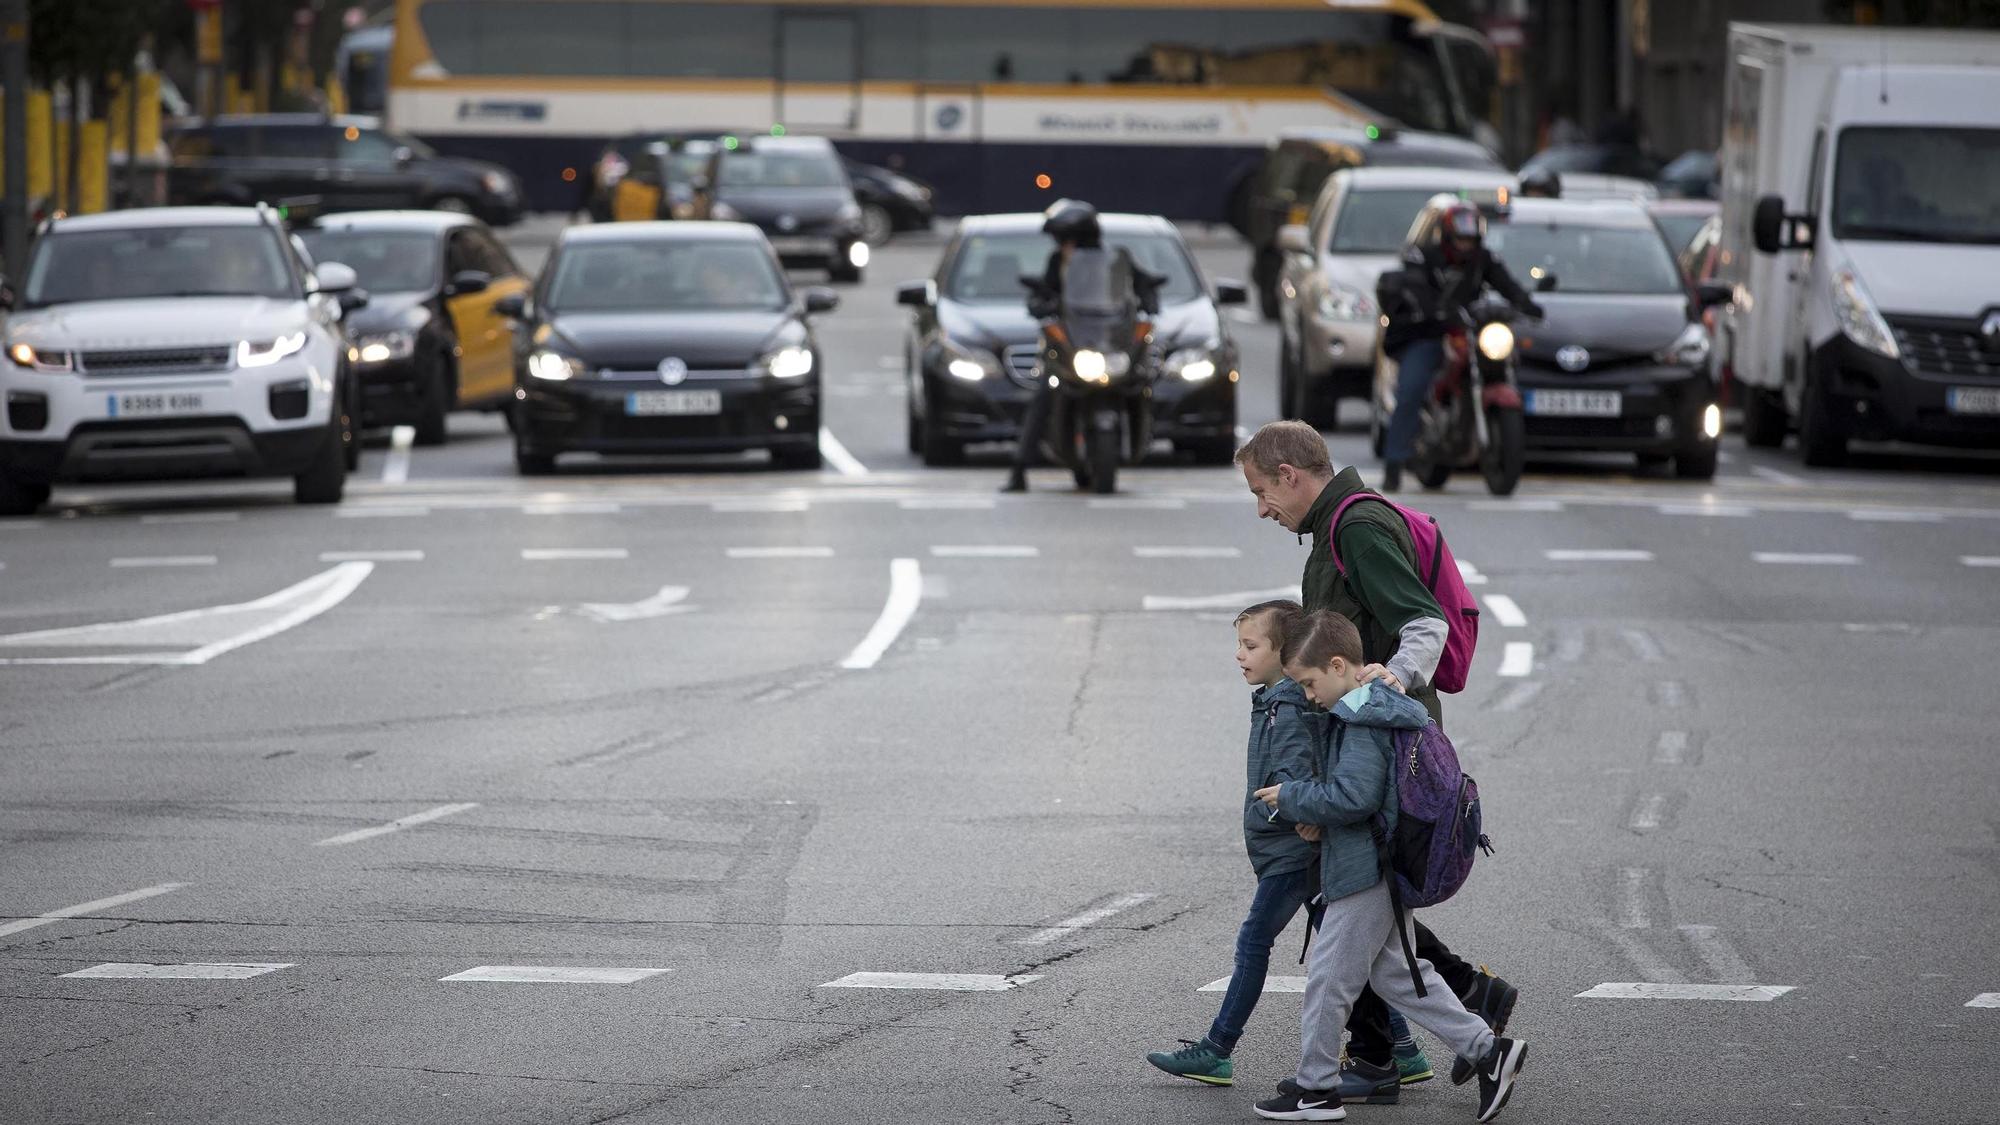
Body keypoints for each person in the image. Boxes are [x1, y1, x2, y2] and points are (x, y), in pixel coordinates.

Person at [1234, 420, 1519, 1102]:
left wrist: (1377, 687)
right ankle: (1461, 1034)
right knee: (1386, 957)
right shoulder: (1334, 529)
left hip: (1379, 760)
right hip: (1369, 750)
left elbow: (1424, 622)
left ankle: (1322, 1083)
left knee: (1342, 949)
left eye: (1262, 491)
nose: (1262, 508)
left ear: (1290, 475)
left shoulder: (1354, 529)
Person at [1249, 610, 1528, 1123]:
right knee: (1400, 976)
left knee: (1329, 980)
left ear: (1338, 666)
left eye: (1310, 684)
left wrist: (1293, 798)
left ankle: (1316, 1091)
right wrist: (1317, 810)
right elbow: (1369, 795)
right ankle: (1490, 1053)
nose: (1309, 696)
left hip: (1365, 868)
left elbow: (1353, 796)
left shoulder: (1362, 717)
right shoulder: (1373, 705)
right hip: (1380, 861)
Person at [1146, 599, 1370, 1087]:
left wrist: (1292, 811)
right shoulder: (1276, 701)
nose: (1239, 655)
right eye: (1239, 645)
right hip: (1293, 845)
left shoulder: (1286, 706)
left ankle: (1217, 1048)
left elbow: (1292, 774)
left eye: (1250, 646)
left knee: (1255, 941)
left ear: (1283, 651)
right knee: (1356, 956)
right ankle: (1404, 1050)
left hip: (1291, 849)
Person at [1377, 201, 1543, 492]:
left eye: (1470, 239)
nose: (1465, 245)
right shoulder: (1424, 257)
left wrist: (1527, 306)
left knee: (1502, 363)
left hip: (1468, 332)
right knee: (1412, 389)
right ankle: (1394, 462)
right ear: (1447, 235)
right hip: (1429, 333)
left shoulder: (1483, 259)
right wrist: (1432, 310)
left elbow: (1507, 285)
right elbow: (1415, 286)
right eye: (1460, 239)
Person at [1003, 199, 1161, 493]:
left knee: (1144, 379)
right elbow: (1045, 290)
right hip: (1071, 344)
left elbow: (1142, 282)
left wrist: (1149, 296)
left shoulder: (1116, 258)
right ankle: (1019, 470)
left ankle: (1153, 435)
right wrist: (1040, 302)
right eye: (1063, 241)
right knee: (1044, 395)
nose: (1064, 246)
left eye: (1067, 239)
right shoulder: (1057, 262)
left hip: (1111, 341)